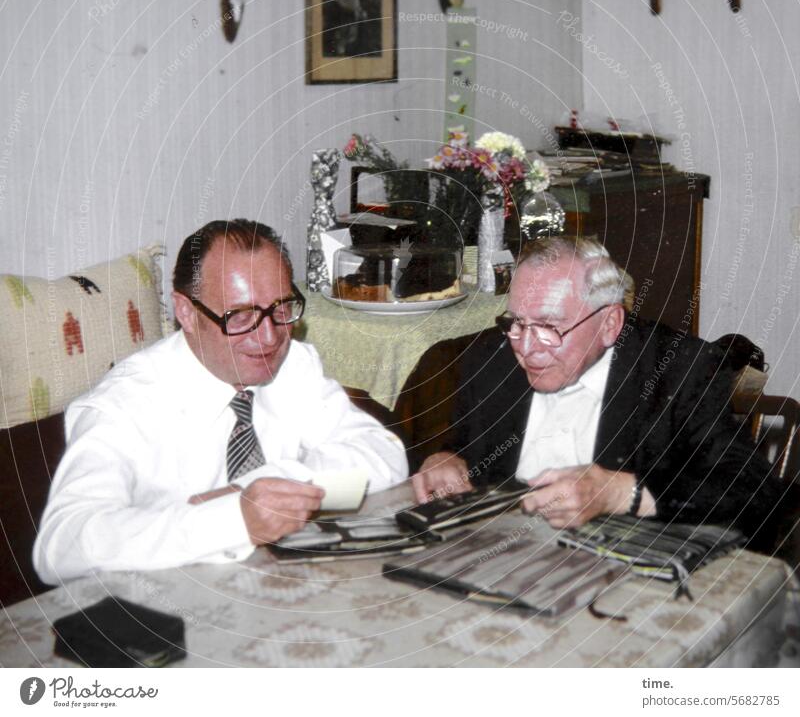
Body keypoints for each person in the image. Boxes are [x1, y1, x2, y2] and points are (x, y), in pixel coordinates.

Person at [34, 220, 408, 583]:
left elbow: (386, 457)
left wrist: (270, 484)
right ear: (187, 313)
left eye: (281, 309)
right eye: (241, 315)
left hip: (288, 591)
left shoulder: (295, 364)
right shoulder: (123, 406)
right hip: (171, 612)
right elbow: (59, 547)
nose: (269, 338)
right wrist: (232, 519)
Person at [412, 237, 785, 544]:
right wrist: (447, 459)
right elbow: (462, 445)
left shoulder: (680, 369)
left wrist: (621, 493)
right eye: (517, 323)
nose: (525, 348)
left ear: (609, 324)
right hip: (496, 553)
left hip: (617, 568)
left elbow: (752, 487)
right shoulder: (489, 355)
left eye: (549, 327)